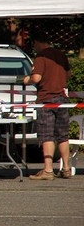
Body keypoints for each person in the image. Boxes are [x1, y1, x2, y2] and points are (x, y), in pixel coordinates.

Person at [26, 32, 73, 180]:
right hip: (62, 99)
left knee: (47, 136)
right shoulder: (60, 55)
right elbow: (69, 75)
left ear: (37, 42)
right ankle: (66, 168)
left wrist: (26, 79)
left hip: (46, 99)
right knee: (63, 136)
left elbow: (36, 78)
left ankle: (48, 170)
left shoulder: (41, 57)